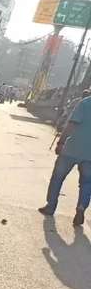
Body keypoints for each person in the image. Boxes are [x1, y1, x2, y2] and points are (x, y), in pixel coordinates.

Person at [40, 90, 91, 227]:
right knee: (87, 183)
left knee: (58, 177)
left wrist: (61, 142)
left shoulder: (85, 103)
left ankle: (51, 206)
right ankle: (81, 208)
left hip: (72, 148)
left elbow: (71, 125)